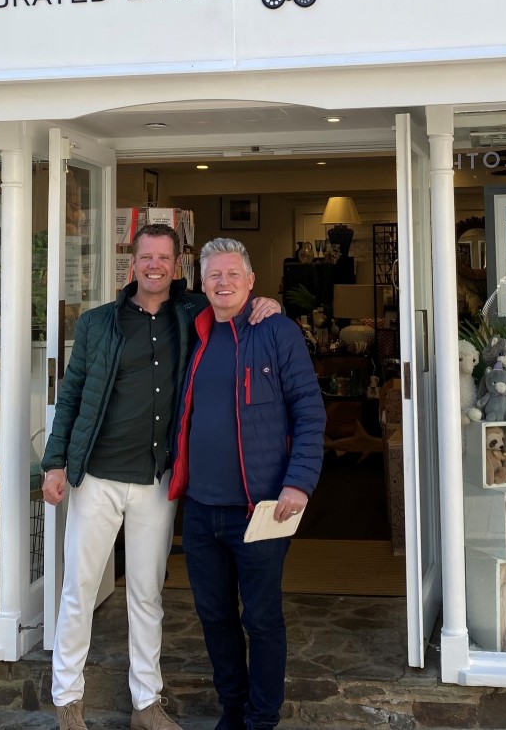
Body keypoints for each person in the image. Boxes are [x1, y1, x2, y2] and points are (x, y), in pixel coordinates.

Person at [41, 224, 281, 730]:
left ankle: (146, 702)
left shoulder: (191, 313)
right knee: (79, 589)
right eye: (146, 256)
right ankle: (68, 698)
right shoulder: (98, 323)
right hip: (98, 478)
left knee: (146, 592)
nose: (155, 266)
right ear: (133, 264)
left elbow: (233, 298)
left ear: (177, 266)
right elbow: (73, 394)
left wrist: (268, 304)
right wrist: (56, 461)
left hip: (156, 480)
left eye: (164, 258)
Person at [168, 237, 325, 730]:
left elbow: (308, 410)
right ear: (201, 281)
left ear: (252, 281)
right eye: (214, 274)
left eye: (234, 274)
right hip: (199, 509)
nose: (223, 282)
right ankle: (232, 709)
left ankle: (262, 717)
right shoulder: (192, 330)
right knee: (214, 616)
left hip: (262, 508)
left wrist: (298, 484)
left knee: (261, 618)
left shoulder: (276, 330)